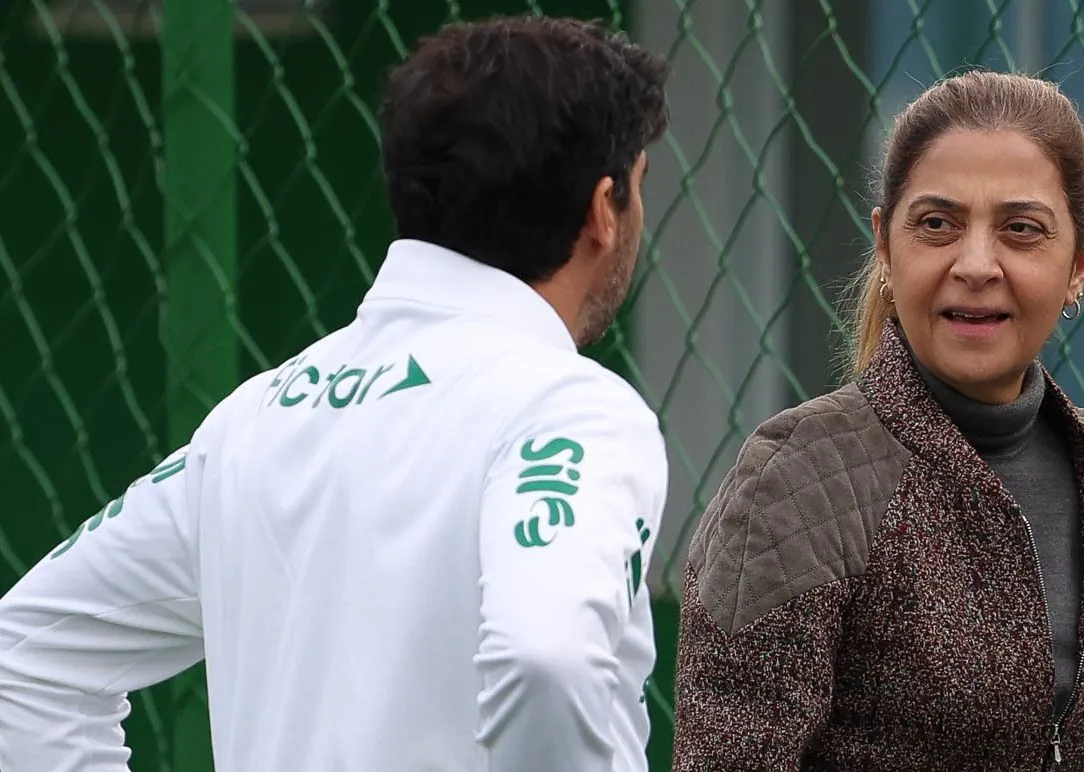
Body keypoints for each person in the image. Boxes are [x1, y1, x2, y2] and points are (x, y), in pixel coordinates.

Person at [0, 15, 671, 772]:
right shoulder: (571, 408)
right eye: (641, 189)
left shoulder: (252, 420)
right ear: (603, 210)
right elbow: (547, 656)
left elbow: (22, 660)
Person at [671, 70, 1084, 771]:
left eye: (1021, 230)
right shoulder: (801, 478)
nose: (976, 263)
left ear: (1080, 261)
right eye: (937, 224)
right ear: (885, 245)